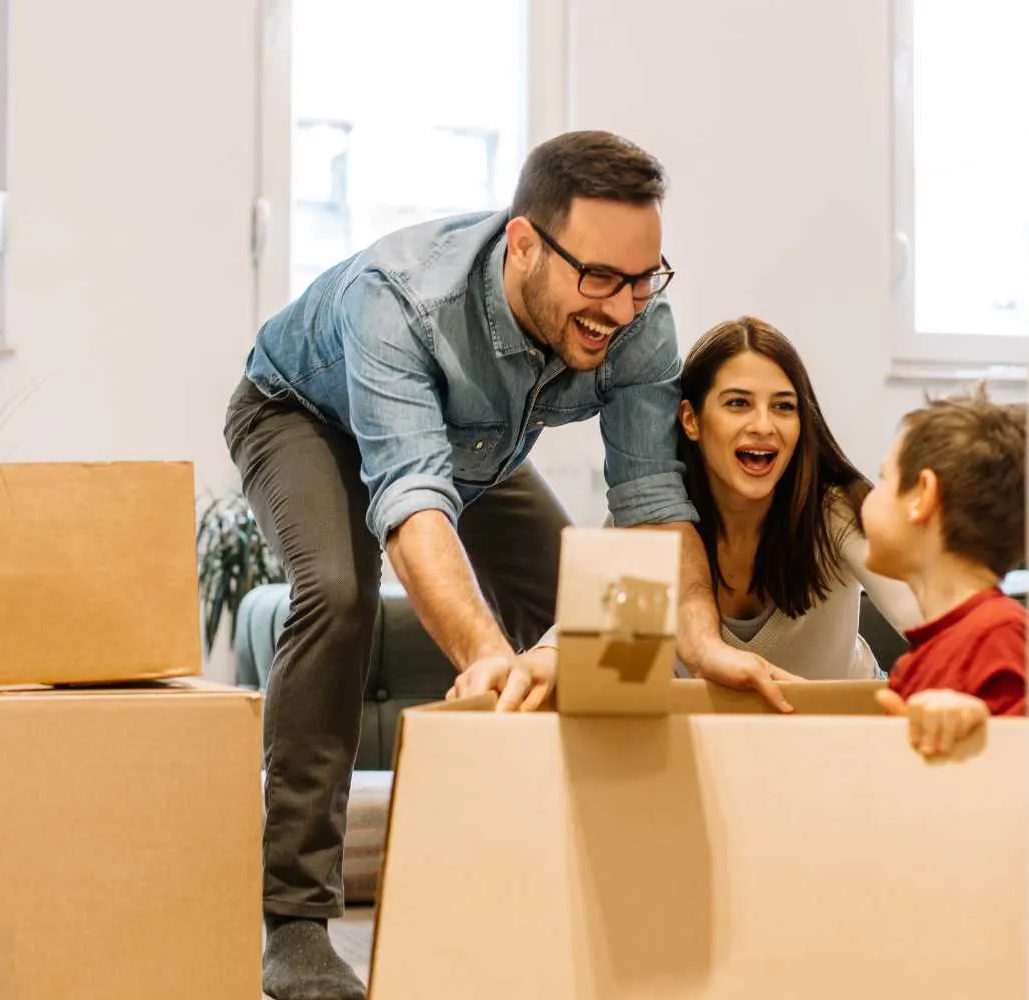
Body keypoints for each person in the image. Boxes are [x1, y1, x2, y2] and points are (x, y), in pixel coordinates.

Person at [223, 130, 787, 1000]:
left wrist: (698, 636)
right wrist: (486, 656)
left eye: (644, 279)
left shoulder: (639, 319)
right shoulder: (400, 300)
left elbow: (651, 504)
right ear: (523, 242)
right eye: (597, 278)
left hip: (474, 445)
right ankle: (296, 922)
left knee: (614, 632)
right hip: (302, 416)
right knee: (337, 593)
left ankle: (606, 875)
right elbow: (412, 504)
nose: (622, 307)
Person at [525, 316, 921, 678]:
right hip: (713, 743)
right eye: (738, 403)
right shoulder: (647, 521)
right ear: (691, 420)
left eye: (783, 406)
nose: (764, 425)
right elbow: (590, 644)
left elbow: (924, 609)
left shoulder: (834, 511)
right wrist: (534, 664)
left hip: (841, 735)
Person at [859, 385, 1029, 758]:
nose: (870, 495)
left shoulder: (1000, 635)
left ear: (922, 494)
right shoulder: (914, 663)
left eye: (883, 479)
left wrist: (981, 725)